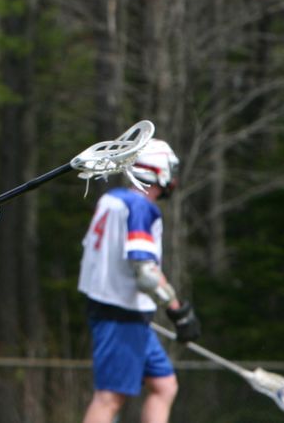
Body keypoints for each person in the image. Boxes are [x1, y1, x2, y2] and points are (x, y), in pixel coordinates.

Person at [78, 138, 201, 423]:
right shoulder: (141, 207)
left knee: (164, 385)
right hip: (120, 314)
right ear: (158, 170)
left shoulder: (112, 199)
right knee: (110, 398)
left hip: (120, 310)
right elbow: (145, 273)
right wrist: (176, 310)